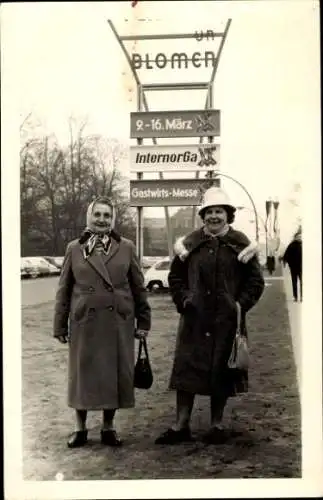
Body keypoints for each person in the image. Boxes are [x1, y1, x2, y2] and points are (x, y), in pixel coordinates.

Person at [155, 187, 265, 445]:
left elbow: (255, 282)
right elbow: (176, 277)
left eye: (219, 211)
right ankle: (181, 425)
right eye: (209, 212)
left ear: (228, 215)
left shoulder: (241, 245)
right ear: (202, 216)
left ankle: (216, 424)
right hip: (195, 320)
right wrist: (184, 300)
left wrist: (239, 305)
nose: (214, 216)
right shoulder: (189, 245)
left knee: (222, 371)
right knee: (186, 372)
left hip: (227, 322)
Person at [53, 196, 151, 448]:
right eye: (97, 215)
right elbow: (64, 288)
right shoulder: (74, 248)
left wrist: (144, 321)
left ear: (113, 219)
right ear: (89, 217)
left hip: (116, 320)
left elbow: (139, 287)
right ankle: (80, 428)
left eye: (107, 215)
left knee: (113, 373)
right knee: (82, 374)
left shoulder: (126, 247)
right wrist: (59, 324)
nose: (102, 220)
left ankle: (109, 427)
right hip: (84, 320)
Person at [282, 229, 302, 302]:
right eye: (298, 236)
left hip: (301, 267)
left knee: (302, 282)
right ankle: (295, 297)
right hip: (293, 268)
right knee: (294, 282)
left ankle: (302, 296)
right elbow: (286, 255)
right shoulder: (291, 245)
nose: (300, 238)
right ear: (295, 237)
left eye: (301, 236)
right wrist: (285, 262)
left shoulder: (303, 245)